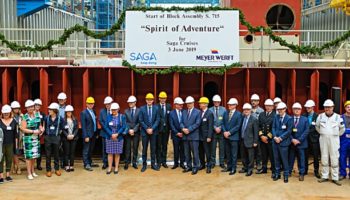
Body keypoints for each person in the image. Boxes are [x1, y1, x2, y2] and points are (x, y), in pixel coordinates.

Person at [316, 99, 345, 186]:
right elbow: (317, 127)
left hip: (334, 140)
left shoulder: (338, 117)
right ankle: (324, 176)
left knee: (334, 158)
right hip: (323, 139)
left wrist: (335, 135)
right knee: (324, 157)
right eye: (326, 107)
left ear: (333, 107)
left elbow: (342, 129)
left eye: (329, 107)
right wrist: (323, 133)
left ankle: (335, 177)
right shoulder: (320, 116)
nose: (327, 109)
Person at [21, 100, 45, 180]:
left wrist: (41, 129)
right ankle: (29, 173)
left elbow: (39, 125)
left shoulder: (37, 115)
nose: (30, 108)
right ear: (26, 108)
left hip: (36, 138)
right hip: (28, 139)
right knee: (28, 157)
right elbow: (23, 129)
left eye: (31, 106)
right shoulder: (24, 117)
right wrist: (33, 131)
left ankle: (33, 171)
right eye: (29, 107)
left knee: (34, 156)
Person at [139, 93, 160, 172]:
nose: (149, 101)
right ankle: (144, 165)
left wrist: (152, 128)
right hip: (145, 132)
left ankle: (153, 164)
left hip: (154, 132)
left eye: (150, 100)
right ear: (146, 100)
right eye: (148, 99)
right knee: (144, 149)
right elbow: (141, 120)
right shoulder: (142, 109)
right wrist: (147, 128)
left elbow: (157, 120)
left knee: (153, 149)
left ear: (153, 100)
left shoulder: (156, 108)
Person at [272, 102, 292, 183]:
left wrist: (280, 138)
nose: (280, 111)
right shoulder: (276, 117)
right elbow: (273, 127)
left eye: (281, 109)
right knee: (276, 159)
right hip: (275, 141)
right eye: (278, 109)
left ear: (285, 109)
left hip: (283, 143)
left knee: (284, 159)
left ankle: (286, 175)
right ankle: (277, 173)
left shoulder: (289, 118)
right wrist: (275, 137)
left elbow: (289, 131)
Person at [104, 103, 126, 175]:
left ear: (118, 109)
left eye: (115, 110)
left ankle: (116, 167)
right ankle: (110, 167)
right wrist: (111, 134)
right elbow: (106, 127)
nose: (114, 111)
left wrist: (117, 134)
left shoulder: (122, 117)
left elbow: (123, 126)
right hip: (109, 137)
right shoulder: (108, 117)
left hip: (118, 137)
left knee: (117, 153)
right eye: (112, 110)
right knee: (110, 153)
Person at [288, 103, 309, 181]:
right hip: (292, 143)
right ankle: (289, 171)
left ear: (301, 110)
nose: (296, 110)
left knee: (301, 159)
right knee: (291, 158)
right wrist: (292, 139)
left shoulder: (305, 119)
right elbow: (288, 131)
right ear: (292, 110)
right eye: (295, 109)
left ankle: (301, 173)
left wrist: (299, 140)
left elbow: (306, 131)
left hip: (301, 143)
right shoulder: (289, 119)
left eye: (298, 109)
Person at [181, 96, 201, 175]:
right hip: (185, 136)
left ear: (193, 103)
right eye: (187, 103)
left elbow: (197, 123)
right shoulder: (184, 112)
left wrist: (189, 129)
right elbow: (181, 122)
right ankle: (189, 166)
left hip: (193, 136)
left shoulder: (198, 112)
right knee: (187, 153)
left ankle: (195, 167)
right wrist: (183, 128)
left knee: (195, 153)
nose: (188, 105)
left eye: (190, 103)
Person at [44, 103, 65, 177]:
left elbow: (63, 127)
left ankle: (56, 169)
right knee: (48, 155)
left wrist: (58, 135)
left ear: (55, 111)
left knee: (56, 154)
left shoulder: (60, 119)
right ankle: (48, 170)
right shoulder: (46, 118)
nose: (49, 110)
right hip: (48, 138)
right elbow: (43, 126)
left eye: (50, 109)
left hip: (56, 138)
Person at [222, 98, 242, 175]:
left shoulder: (238, 114)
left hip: (234, 137)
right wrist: (224, 132)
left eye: (231, 104)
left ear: (235, 105)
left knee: (234, 154)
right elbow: (222, 123)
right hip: (226, 136)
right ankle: (229, 166)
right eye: (229, 104)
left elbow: (238, 126)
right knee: (228, 153)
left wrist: (229, 132)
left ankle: (233, 168)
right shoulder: (225, 113)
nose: (229, 106)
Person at [239, 103, 259, 176]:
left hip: (250, 141)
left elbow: (256, 132)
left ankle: (250, 169)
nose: (246, 111)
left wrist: (255, 141)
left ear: (250, 110)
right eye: (244, 110)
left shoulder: (254, 119)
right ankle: (245, 167)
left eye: (247, 109)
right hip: (242, 140)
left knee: (250, 156)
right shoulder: (242, 118)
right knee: (243, 155)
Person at [0, 105, 18, 184]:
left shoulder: (14, 121)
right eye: (4, 113)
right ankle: (1, 176)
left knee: (9, 158)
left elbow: (16, 134)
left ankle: (8, 175)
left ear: (10, 112)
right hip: (0, 144)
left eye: (7, 113)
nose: (6, 114)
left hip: (10, 143)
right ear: (2, 113)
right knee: (0, 159)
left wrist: (16, 145)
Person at [257, 99, 276, 175]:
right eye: (267, 106)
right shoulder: (261, 114)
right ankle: (264, 168)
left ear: (273, 107)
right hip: (262, 139)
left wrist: (267, 137)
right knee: (263, 155)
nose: (268, 107)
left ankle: (274, 170)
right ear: (264, 106)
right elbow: (259, 126)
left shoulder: (275, 115)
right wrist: (261, 136)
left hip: (270, 139)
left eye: (270, 106)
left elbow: (274, 127)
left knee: (272, 155)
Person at [303, 99, 320, 178]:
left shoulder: (317, 116)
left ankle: (316, 171)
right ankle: (305, 170)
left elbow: (318, 127)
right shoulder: (303, 115)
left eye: (309, 107)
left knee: (316, 156)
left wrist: (307, 132)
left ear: (313, 107)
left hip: (314, 140)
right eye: (306, 107)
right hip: (305, 139)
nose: (307, 109)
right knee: (305, 155)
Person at [81, 97, 99, 171]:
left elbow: (94, 123)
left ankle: (90, 162)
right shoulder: (83, 113)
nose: (91, 105)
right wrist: (86, 136)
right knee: (86, 150)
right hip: (88, 135)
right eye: (89, 103)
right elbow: (83, 125)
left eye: (92, 103)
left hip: (93, 134)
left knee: (91, 149)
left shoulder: (93, 112)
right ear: (86, 104)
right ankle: (86, 164)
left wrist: (96, 132)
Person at [209, 94, 226, 169]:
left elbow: (225, 120)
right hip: (213, 132)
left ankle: (222, 162)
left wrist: (220, 128)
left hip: (221, 132)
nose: (216, 103)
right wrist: (215, 128)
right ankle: (213, 162)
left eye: (218, 102)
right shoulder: (209, 110)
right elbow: (210, 122)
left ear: (220, 102)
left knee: (222, 148)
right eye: (215, 102)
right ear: (213, 102)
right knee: (212, 148)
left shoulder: (224, 109)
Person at [198, 97, 214, 174]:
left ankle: (209, 166)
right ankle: (202, 164)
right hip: (200, 136)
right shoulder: (200, 112)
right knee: (201, 151)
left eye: (200, 103)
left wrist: (209, 136)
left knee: (208, 152)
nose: (199, 104)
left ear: (205, 104)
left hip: (206, 137)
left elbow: (211, 126)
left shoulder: (210, 113)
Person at [124, 95, 140, 170]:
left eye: (131, 102)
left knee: (135, 147)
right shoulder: (126, 111)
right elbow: (125, 122)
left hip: (136, 132)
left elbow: (139, 122)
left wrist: (134, 130)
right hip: (128, 132)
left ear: (135, 102)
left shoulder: (139, 111)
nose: (130, 103)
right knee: (127, 148)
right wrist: (129, 130)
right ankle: (126, 163)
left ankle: (134, 162)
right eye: (129, 102)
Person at [156, 91, 172, 168]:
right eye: (161, 98)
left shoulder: (169, 106)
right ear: (159, 98)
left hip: (166, 130)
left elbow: (170, 118)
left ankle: (164, 161)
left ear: (166, 99)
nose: (163, 99)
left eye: (164, 98)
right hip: (158, 130)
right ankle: (159, 162)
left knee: (165, 146)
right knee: (158, 146)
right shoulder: (156, 107)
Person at [169, 97, 186, 170]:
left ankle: (182, 163)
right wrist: (177, 133)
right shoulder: (171, 113)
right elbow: (171, 125)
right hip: (175, 135)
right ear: (175, 105)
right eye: (179, 105)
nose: (181, 106)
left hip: (183, 134)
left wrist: (183, 132)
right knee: (176, 149)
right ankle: (176, 163)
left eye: (181, 105)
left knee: (182, 149)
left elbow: (186, 122)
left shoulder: (184, 112)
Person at [62, 105, 79, 172]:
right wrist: (67, 135)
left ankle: (71, 165)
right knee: (66, 152)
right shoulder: (63, 120)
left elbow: (77, 129)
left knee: (72, 152)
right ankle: (66, 166)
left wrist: (73, 135)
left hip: (73, 138)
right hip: (66, 138)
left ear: (72, 112)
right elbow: (63, 129)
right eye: (67, 112)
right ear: (66, 113)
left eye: (70, 112)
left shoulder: (75, 119)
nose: (69, 113)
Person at [250, 94, 264, 173]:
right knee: (250, 149)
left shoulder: (261, 111)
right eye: (252, 101)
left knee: (258, 150)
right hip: (250, 133)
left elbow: (262, 123)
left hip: (258, 133)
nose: (253, 102)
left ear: (258, 102)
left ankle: (258, 163)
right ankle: (250, 164)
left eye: (255, 101)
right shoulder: (248, 109)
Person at [99, 96, 113, 170]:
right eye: (106, 104)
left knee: (112, 149)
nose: (108, 105)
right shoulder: (102, 111)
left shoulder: (114, 111)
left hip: (112, 133)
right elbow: (101, 121)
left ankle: (112, 163)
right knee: (104, 149)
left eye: (109, 104)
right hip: (104, 133)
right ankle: (105, 163)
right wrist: (107, 130)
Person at [11, 101, 23, 175]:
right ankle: (16, 167)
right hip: (11, 135)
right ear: (12, 109)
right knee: (13, 152)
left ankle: (16, 166)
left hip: (20, 135)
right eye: (14, 108)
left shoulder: (22, 116)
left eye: (17, 108)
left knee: (17, 152)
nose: (16, 110)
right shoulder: (9, 116)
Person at [34, 99, 45, 171]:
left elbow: (44, 123)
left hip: (40, 135)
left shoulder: (42, 114)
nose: (37, 106)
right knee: (33, 149)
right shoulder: (31, 113)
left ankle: (38, 164)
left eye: (39, 105)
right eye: (36, 105)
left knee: (39, 150)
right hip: (32, 133)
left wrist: (42, 132)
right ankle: (32, 165)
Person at [340, 100, 350, 180]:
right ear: (345, 108)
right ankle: (342, 173)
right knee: (342, 157)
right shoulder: (341, 117)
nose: (349, 108)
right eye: (348, 107)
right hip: (343, 140)